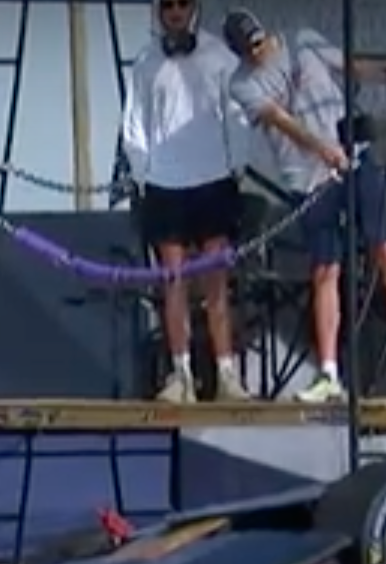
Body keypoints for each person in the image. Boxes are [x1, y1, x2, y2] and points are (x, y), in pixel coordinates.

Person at [221, 9, 386, 403]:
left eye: (259, 43)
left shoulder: (300, 39)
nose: (257, 53)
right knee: (325, 269)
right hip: (308, 179)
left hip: (354, 160)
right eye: (248, 50)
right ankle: (328, 373)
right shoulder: (241, 84)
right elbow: (281, 120)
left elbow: (350, 66)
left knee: (383, 249)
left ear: (266, 32)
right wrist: (322, 150)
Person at [121, 0, 248, 404]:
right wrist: (144, 173)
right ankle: (181, 375)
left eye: (182, 4)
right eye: (168, 5)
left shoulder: (220, 58)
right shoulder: (145, 62)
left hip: (212, 178)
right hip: (165, 183)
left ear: (193, 9)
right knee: (172, 279)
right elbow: (134, 122)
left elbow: (238, 116)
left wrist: (236, 167)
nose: (175, 12)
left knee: (215, 280)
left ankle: (227, 375)